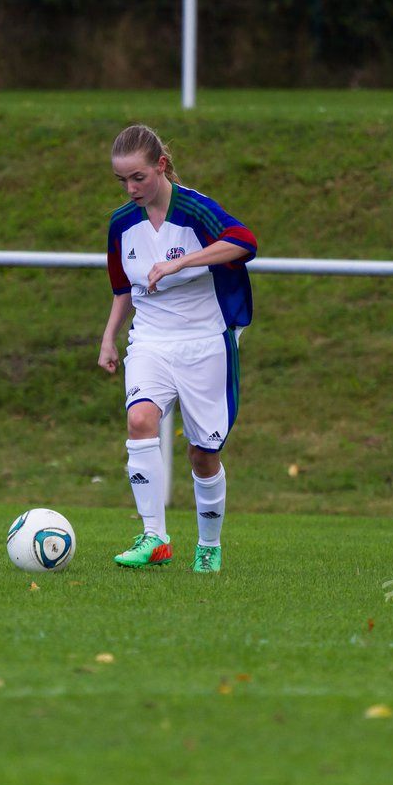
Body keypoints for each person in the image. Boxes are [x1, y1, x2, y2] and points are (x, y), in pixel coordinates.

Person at [99, 124, 257, 573]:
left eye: (138, 178)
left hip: (205, 341)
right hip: (149, 339)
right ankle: (155, 537)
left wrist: (182, 261)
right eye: (122, 180)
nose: (131, 189)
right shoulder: (120, 224)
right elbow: (121, 288)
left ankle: (209, 544)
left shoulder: (195, 210)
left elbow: (245, 242)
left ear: (160, 166)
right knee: (140, 418)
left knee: (203, 453)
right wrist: (110, 337)